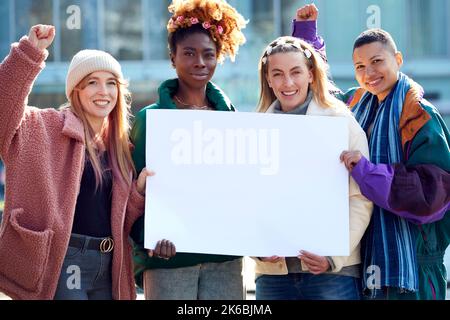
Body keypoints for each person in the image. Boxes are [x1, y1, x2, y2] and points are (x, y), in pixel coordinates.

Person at [293, 4, 450, 299]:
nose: (369, 72)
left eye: (377, 61)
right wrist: (306, 37)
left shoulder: (419, 115)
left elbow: (434, 193)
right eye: (360, 67)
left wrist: (368, 173)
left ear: (398, 59)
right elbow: (317, 93)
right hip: (364, 260)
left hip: (412, 267)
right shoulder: (356, 105)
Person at [0, 25, 153, 300]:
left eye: (111, 83)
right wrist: (29, 53)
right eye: (92, 82)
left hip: (109, 264)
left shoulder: (121, 147)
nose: (103, 91)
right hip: (64, 260)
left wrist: (138, 193)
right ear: (76, 91)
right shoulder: (43, 126)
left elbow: (121, 222)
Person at [130, 0, 247, 300]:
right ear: (173, 58)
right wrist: (150, 238)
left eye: (209, 54)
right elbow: (131, 190)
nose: (200, 62)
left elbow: (243, 187)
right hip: (170, 261)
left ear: (219, 58)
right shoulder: (149, 120)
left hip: (225, 260)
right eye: (189, 53)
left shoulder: (233, 120)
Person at [253, 36, 373, 300]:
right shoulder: (255, 129)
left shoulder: (341, 122)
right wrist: (256, 248)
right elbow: (248, 199)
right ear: (268, 80)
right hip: (273, 276)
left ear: (310, 73)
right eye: (278, 74)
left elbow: (360, 198)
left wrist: (334, 257)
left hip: (332, 275)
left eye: (296, 72)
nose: (288, 83)